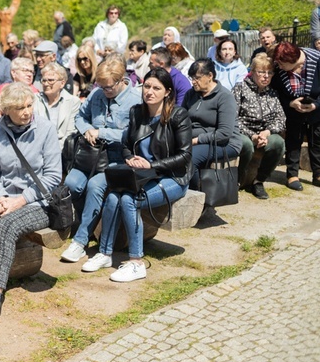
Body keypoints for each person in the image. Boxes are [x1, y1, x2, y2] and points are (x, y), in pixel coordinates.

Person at [83, 68, 192, 282]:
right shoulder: (136, 112)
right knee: (114, 196)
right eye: (147, 86)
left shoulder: (178, 116)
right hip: (140, 175)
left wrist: (151, 164)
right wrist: (130, 158)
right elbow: (125, 145)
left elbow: (185, 156)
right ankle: (105, 254)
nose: (150, 92)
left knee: (129, 199)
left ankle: (136, 262)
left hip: (172, 177)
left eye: (156, 88)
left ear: (168, 92)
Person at [0, 82, 61, 329]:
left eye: (29, 105)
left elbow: (52, 176)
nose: (26, 111)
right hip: (4, 196)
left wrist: (20, 201)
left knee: (6, 227)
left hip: (37, 200)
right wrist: (1, 198)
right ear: (7, 109)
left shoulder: (46, 129)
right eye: (20, 107)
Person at [60, 60, 140, 264]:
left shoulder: (135, 100)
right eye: (101, 86)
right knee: (72, 184)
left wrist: (102, 132)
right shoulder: (97, 94)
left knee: (95, 186)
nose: (104, 91)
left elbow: (132, 134)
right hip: (90, 157)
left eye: (109, 87)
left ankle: (80, 241)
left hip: (118, 159)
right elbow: (80, 116)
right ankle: (83, 224)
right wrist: (87, 129)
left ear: (122, 81)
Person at [182, 59, 243, 190]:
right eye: (192, 78)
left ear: (210, 76)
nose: (193, 81)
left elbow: (224, 133)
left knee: (191, 158)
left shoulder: (224, 97)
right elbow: (182, 120)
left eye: (197, 78)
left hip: (224, 143)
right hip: (195, 139)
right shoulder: (191, 94)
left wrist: (196, 140)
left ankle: (199, 197)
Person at [233, 53, 286, 199]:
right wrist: (253, 136)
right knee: (246, 145)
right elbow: (232, 118)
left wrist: (267, 133)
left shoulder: (272, 93)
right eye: (261, 72)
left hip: (265, 133)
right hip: (243, 132)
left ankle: (258, 181)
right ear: (252, 72)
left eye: (269, 73)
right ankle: (239, 180)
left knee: (279, 143)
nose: (266, 76)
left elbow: (280, 118)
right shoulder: (240, 89)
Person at [273, 42, 320, 190]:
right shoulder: (279, 69)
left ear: (292, 60)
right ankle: (292, 174)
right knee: (293, 141)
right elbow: (276, 92)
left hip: (315, 108)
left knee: (317, 141)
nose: (280, 67)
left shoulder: (317, 60)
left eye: (282, 64)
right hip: (293, 111)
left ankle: (318, 173)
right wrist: (290, 103)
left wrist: (316, 105)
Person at [34, 62, 82, 150]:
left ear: (62, 83)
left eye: (51, 80)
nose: (46, 83)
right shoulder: (34, 99)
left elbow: (70, 134)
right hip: (36, 150)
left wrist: (51, 152)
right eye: (44, 80)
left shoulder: (73, 102)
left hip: (61, 152)